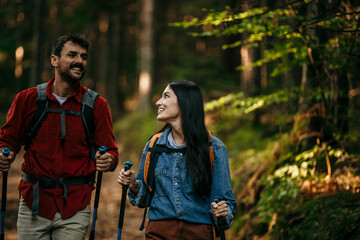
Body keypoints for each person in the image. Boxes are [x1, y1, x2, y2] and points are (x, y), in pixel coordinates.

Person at [0, 34, 118, 240]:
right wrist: (3, 153)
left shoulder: (96, 105)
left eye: (83, 56)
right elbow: (8, 139)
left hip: (75, 205)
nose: (79, 61)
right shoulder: (28, 100)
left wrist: (108, 159)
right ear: (54, 60)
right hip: (33, 203)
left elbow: (110, 151)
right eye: (72, 55)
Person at [118, 80, 237, 239]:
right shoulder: (154, 145)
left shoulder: (214, 148)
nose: (158, 102)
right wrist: (133, 185)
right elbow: (144, 199)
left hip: (198, 233)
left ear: (184, 103)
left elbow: (225, 202)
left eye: (166, 96)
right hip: (159, 232)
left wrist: (223, 211)